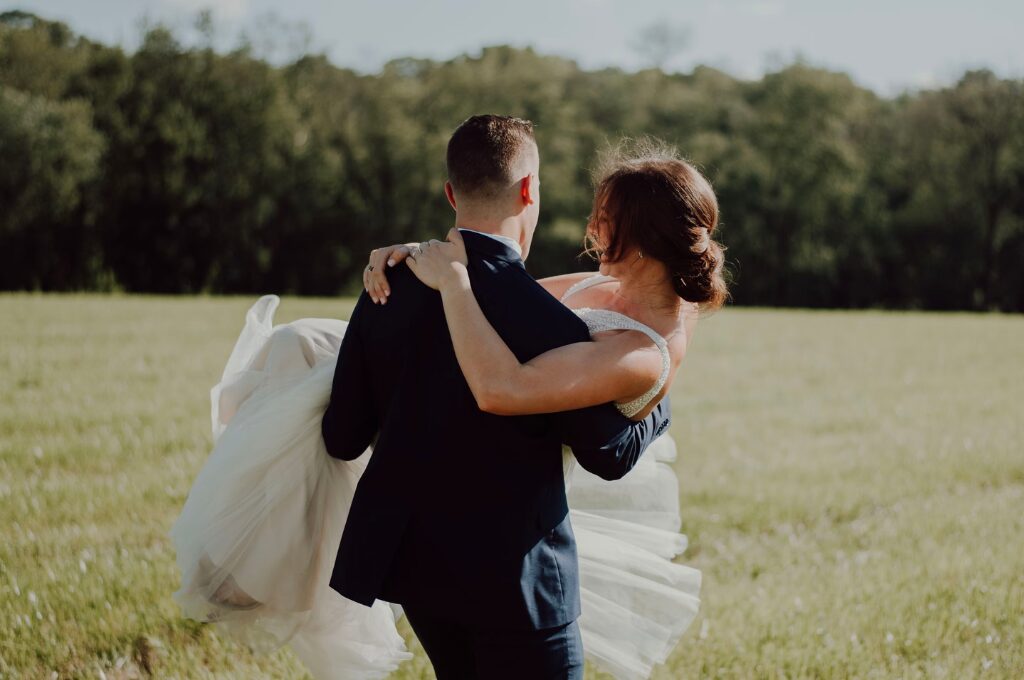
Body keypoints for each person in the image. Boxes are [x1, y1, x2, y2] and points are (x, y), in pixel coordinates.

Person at [169, 115, 680, 680]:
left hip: (418, 576)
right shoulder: (553, 325)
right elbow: (606, 453)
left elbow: (341, 440)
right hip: (519, 587)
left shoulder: (385, 285)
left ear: (450, 192)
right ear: (530, 190)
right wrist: (659, 392)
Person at [366, 137, 726, 678]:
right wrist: (407, 256)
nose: (592, 228)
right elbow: (503, 294)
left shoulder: (642, 354)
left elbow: (502, 389)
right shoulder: (603, 282)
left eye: (606, 219)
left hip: (526, 539)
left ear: (648, 239)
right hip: (475, 511)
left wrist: (453, 282)